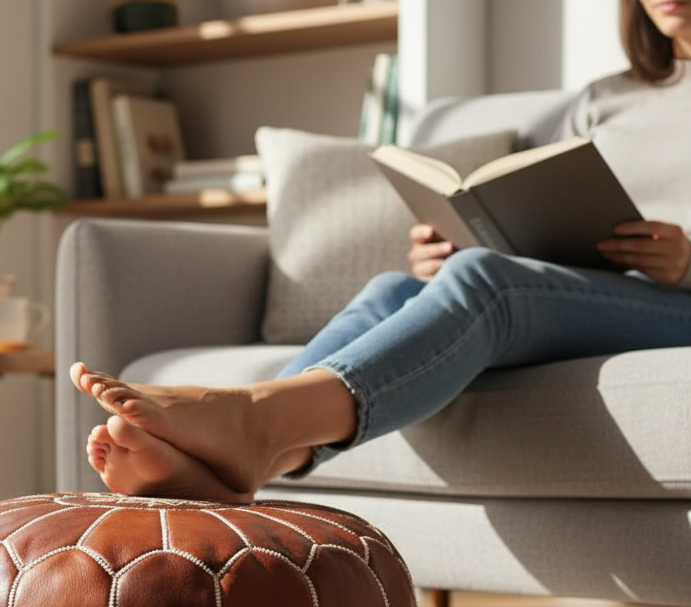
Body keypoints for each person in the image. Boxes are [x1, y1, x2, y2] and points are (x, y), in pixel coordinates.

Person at [72, 0, 691, 504]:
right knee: (393, 290)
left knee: (488, 282)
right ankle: (255, 459)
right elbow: (552, 201)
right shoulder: (604, 97)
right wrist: (458, 248)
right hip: (586, 294)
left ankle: (256, 424)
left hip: (676, 307)